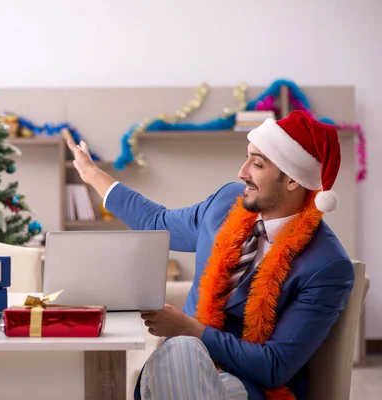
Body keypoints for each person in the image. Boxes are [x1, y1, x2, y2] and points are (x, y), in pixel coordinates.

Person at [66, 110, 355, 400]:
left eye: (256, 164)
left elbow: (275, 367)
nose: (242, 173)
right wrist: (92, 175)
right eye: (246, 158)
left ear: (292, 180)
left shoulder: (326, 265)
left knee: (181, 350)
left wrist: (191, 330)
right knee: (180, 356)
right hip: (179, 368)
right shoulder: (226, 203)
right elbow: (157, 221)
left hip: (253, 387)